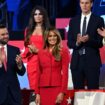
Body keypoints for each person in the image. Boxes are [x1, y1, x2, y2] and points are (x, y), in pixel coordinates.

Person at [67, 0, 104, 89]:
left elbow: (99, 43)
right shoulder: (73, 21)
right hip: (77, 62)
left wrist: (89, 40)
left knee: (93, 92)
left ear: (91, 4)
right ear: (79, 4)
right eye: (82, 3)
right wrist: (78, 42)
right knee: (78, 93)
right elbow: (69, 42)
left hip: (92, 62)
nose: (84, 5)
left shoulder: (98, 20)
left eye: (87, 3)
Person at [35, 27, 69, 105]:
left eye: (54, 36)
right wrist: (37, 93)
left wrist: (62, 92)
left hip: (57, 87)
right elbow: (38, 73)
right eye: (50, 36)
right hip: (43, 88)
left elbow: (65, 73)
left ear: (58, 37)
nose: (52, 38)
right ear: (46, 38)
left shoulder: (63, 51)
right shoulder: (40, 52)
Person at [21, 6, 50, 92]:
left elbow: (52, 49)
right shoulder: (28, 30)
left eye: (40, 14)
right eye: (35, 14)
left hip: (45, 63)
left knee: (45, 91)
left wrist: (38, 51)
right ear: (33, 16)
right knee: (34, 91)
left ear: (43, 16)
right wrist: (29, 50)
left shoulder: (48, 30)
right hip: (32, 64)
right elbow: (26, 47)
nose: (37, 16)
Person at [0, 24, 26, 105]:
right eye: (3, 34)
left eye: (7, 34)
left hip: (14, 95)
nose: (6, 36)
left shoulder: (15, 50)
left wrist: (19, 65)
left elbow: (22, 72)